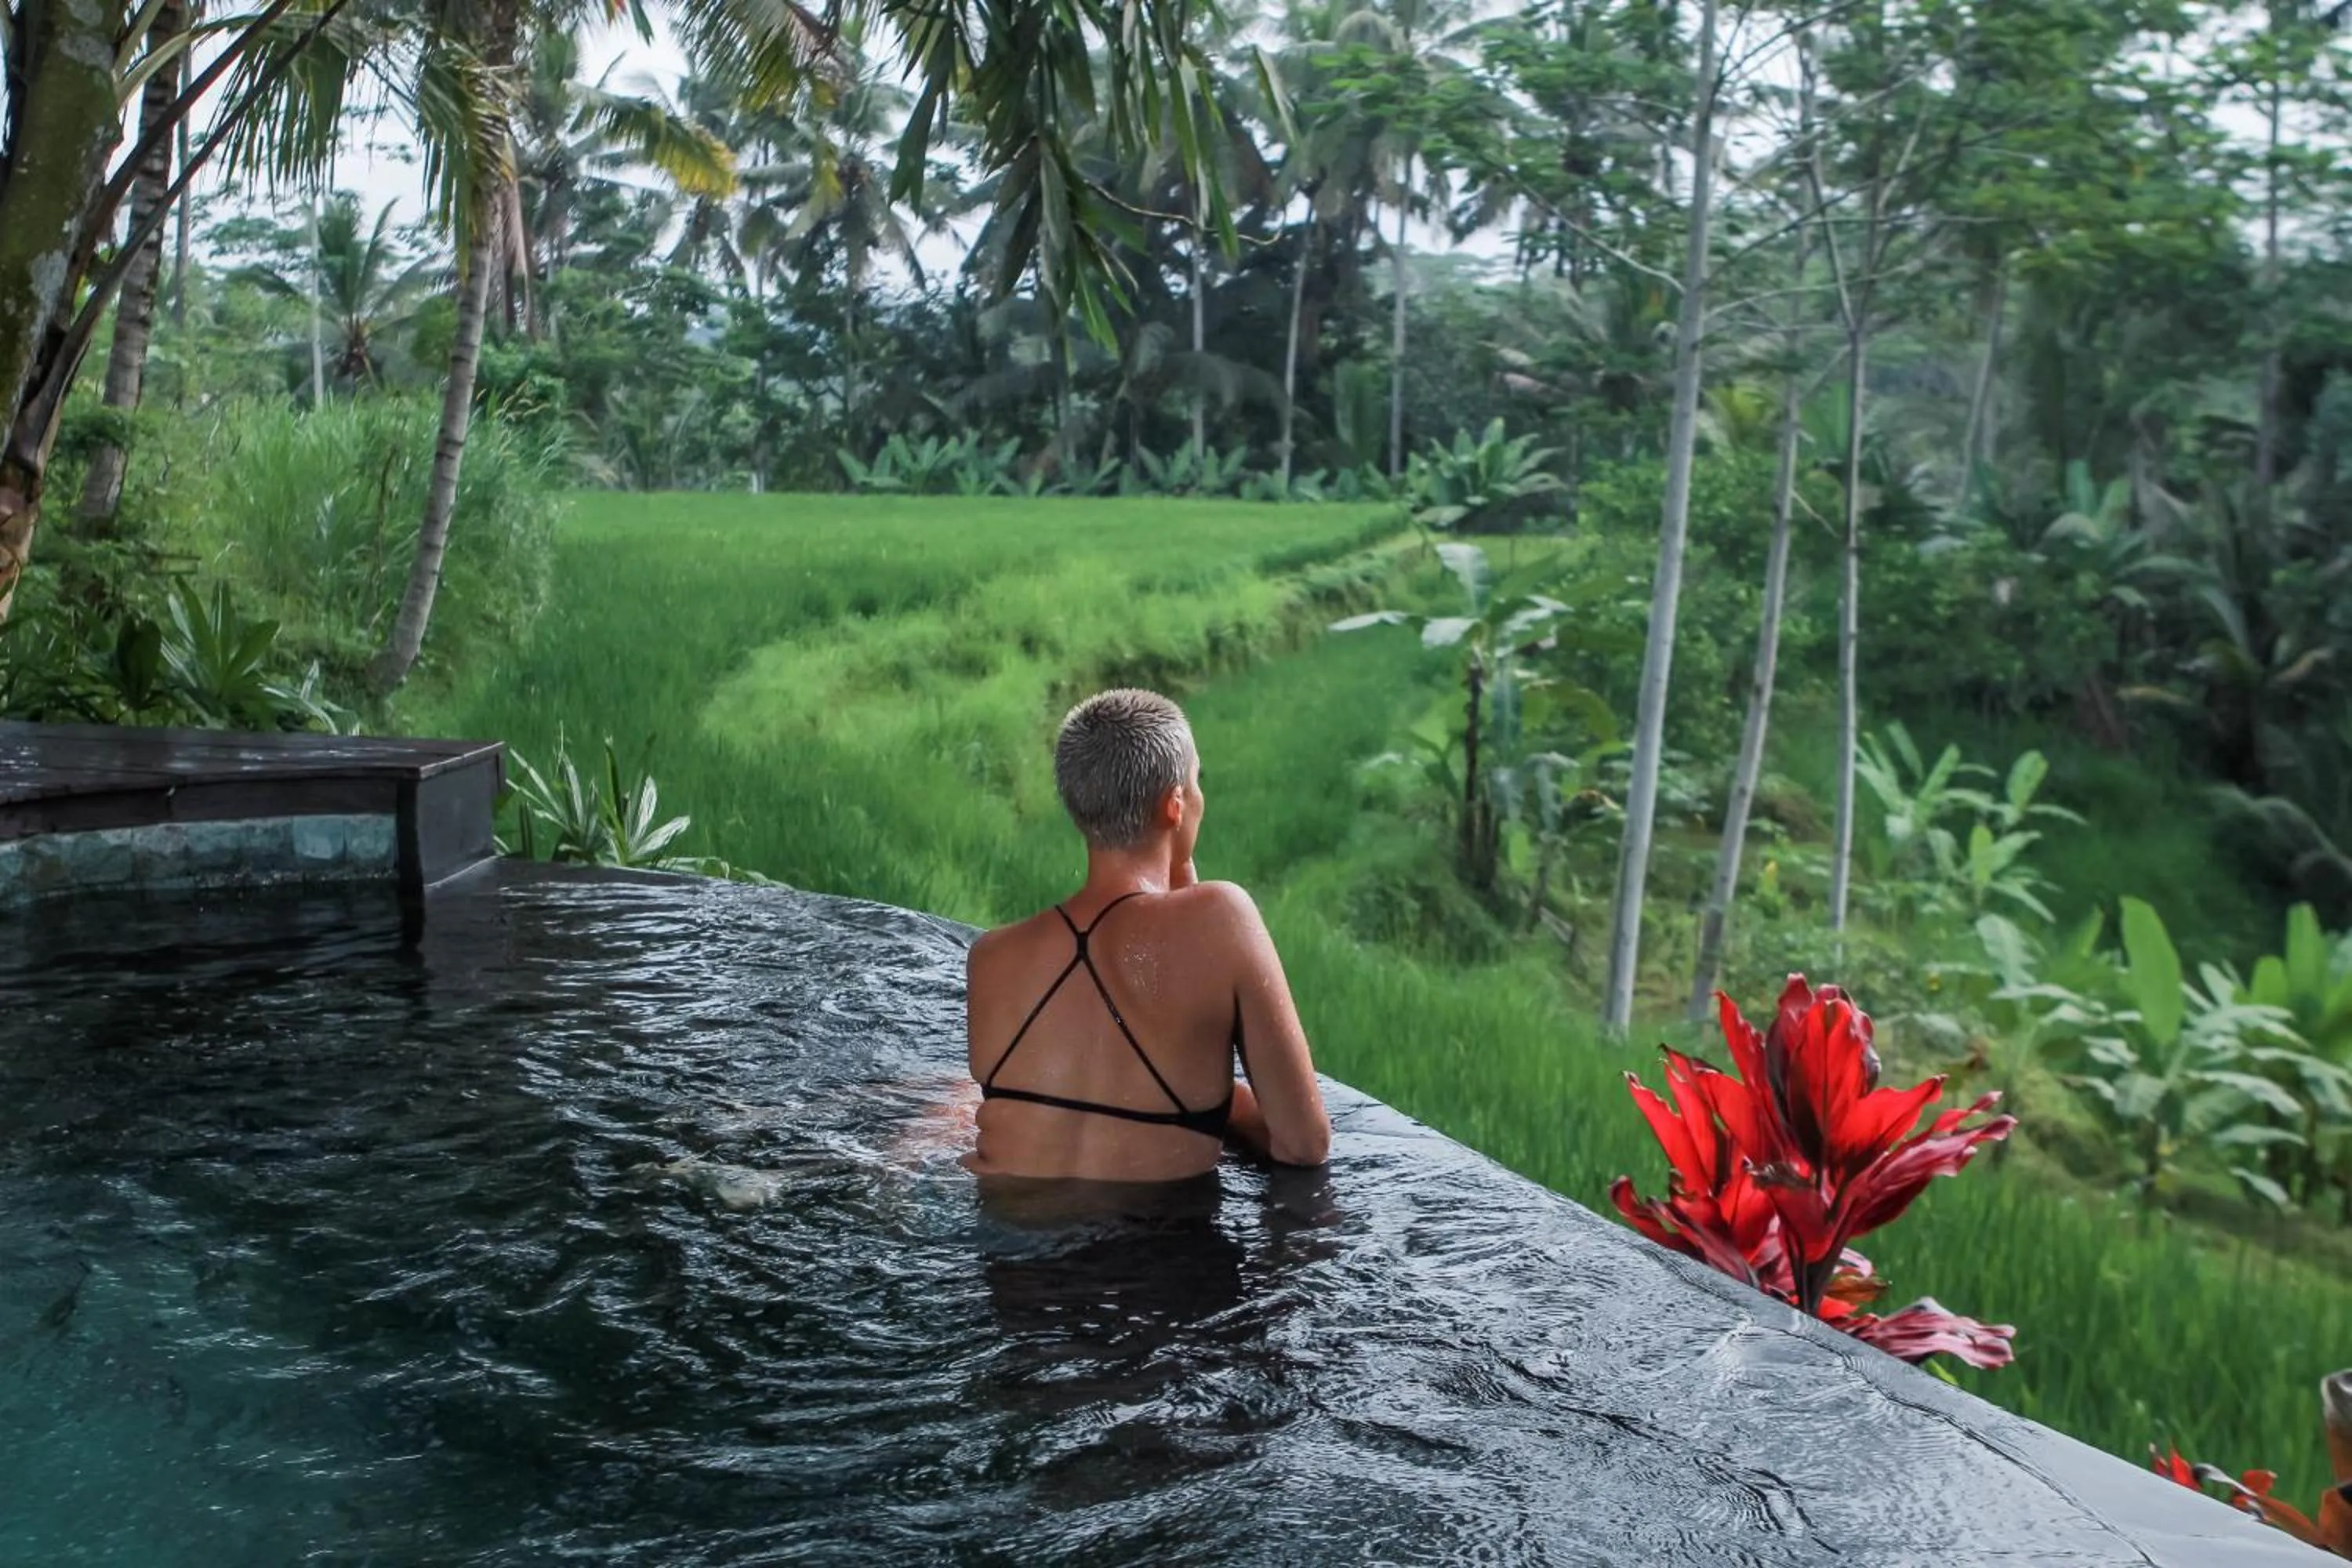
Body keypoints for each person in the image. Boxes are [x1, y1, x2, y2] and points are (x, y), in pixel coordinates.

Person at [964, 688, 1331, 1183]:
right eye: (1196, 784)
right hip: (1155, 1250)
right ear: (1175, 804)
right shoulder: (1224, 917)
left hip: (1001, 1247)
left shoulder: (991, 958)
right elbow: (1303, 1144)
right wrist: (1221, 1102)